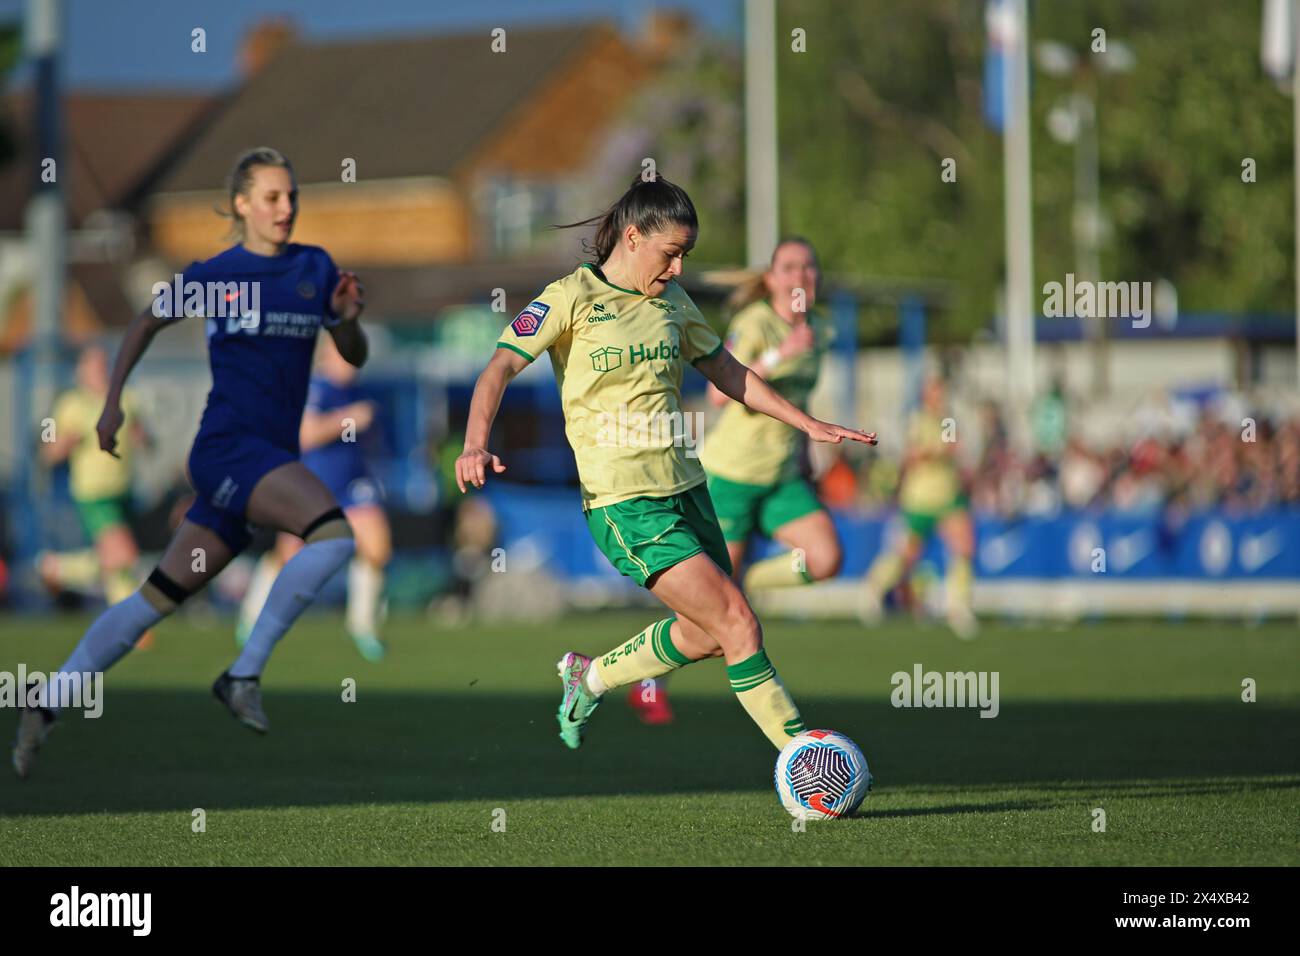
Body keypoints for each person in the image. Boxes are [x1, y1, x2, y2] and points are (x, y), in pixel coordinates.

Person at [455, 175, 876, 753]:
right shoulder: (570, 297)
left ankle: (591, 677)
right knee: (738, 622)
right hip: (624, 502)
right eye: (671, 253)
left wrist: (808, 424)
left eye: (686, 256)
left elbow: (728, 372)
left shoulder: (673, 302)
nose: (679, 269)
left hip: (688, 488)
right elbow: (497, 369)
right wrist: (475, 442)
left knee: (707, 636)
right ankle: (806, 759)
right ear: (632, 237)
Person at [13, 146, 368, 778]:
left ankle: (47, 699)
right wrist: (111, 404)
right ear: (240, 205)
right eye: (271, 197)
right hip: (228, 450)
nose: (285, 208)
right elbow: (142, 325)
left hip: (265, 460)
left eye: (291, 197)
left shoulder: (314, 267)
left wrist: (345, 320)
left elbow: (353, 352)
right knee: (334, 535)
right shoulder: (218, 274)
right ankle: (243, 674)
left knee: (157, 596)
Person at [630, 237, 841, 725]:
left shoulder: (822, 328)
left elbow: (800, 402)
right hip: (732, 476)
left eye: (809, 268)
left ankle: (745, 583)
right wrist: (779, 355)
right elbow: (720, 396)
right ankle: (647, 682)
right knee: (710, 619)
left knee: (827, 558)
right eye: (789, 268)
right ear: (771, 279)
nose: (801, 277)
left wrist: (806, 453)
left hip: (782, 475)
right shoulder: (755, 325)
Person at [237, 334, 390, 661]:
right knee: (289, 555)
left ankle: (362, 625)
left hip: (353, 485)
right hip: (313, 486)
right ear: (327, 356)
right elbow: (305, 435)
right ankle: (252, 616)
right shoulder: (315, 388)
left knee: (376, 547)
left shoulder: (358, 392)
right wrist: (349, 419)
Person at [38, 346, 151, 643]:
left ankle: (58, 568)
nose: (100, 371)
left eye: (104, 364)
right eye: (93, 365)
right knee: (124, 554)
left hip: (124, 490)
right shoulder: (70, 404)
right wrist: (62, 442)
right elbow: (47, 447)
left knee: (116, 562)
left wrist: (144, 438)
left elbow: (146, 437)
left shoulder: (126, 398)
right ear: (80, 371)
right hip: (93, 493)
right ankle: (131, 625)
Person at [860, 377, 977, 638]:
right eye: (935, 391)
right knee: (907, 554)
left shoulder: (948, 420)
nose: (940, 397)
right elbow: (913, 456)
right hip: (921, 497)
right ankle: (874, 588)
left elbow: (955, 451)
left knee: (964, 547)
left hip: (949, 495)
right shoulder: (918, 419)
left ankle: (958, 606)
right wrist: (939, 451)